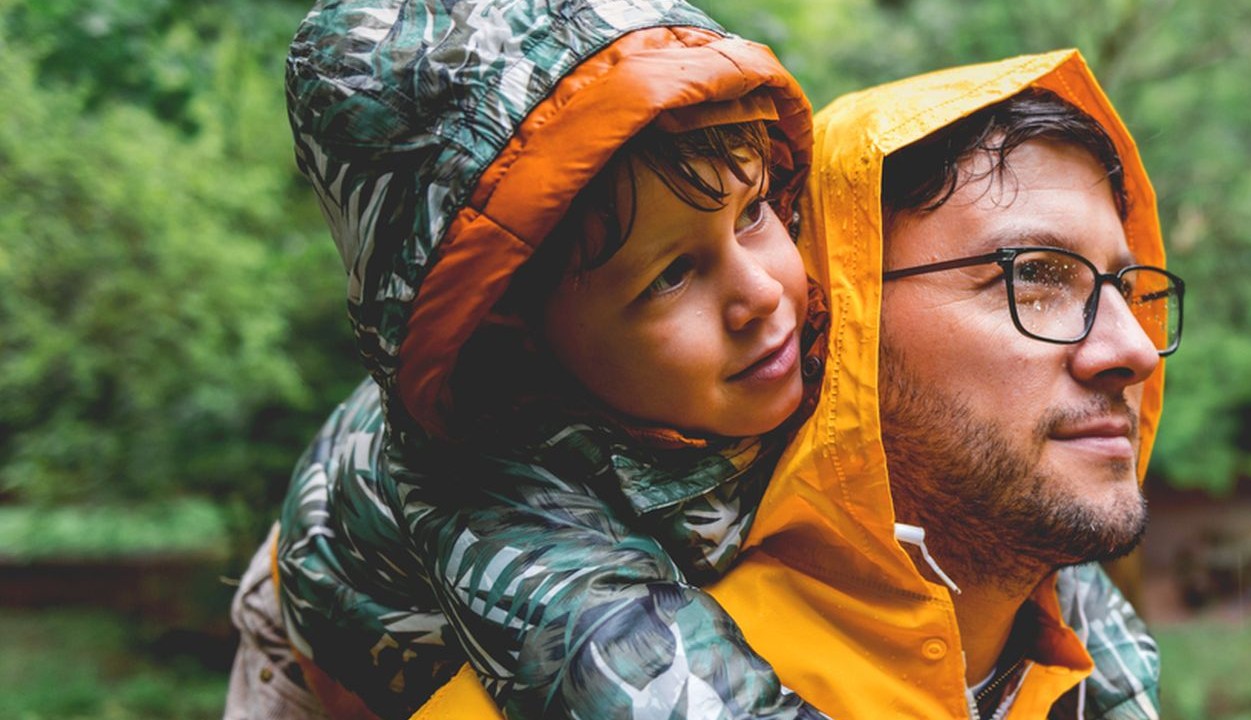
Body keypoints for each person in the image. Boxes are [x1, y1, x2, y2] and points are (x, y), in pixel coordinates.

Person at [222, 2, 1149, 719]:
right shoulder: (496, 482)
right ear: (520, 336)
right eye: (670, 275)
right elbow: (628, 668)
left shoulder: (778, 337)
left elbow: (1042, 565)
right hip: (340, 650)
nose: (759, 293)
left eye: (753, 215)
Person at [704, 51, 1178, 720]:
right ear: (840, 319)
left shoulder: (1100, 673)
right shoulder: (615, 680)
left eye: (1126, 290)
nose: (1133, 350)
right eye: (1035, 276)